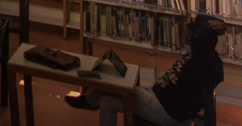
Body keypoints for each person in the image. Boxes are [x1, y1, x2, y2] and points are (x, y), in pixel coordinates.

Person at [64, 15, 226, 126]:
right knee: (119, 86)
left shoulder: (202, 60)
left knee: (111, 96)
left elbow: (201, 39)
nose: (186, 43)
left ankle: (91, 100)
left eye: (189, 40)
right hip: (158, 95)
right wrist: (219, 24)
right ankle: (91, 99)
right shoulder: (202, 56)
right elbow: (202, 21)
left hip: (165, 107)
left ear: (200, 40)